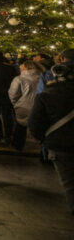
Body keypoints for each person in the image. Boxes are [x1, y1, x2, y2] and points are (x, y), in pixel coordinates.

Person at [29, 50, 74, 215]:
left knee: (71, 186)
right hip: (61, 143)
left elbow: (35, 123)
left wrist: (46, 139)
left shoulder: (49, 93)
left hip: (61, 144)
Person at [8, 60, 42, 151]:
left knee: (20, 127)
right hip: (39, 106)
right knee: (41, 127)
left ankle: (18, 145)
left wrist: (17, 104)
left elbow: (13, 95)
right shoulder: (43, 78)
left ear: (26, 67)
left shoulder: (19, 79)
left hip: (23, 107)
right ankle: (44, 152)